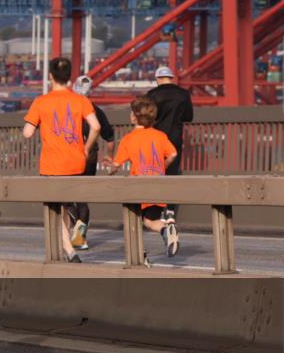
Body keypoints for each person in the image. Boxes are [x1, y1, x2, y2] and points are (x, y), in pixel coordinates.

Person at [22, 58, 101, 263]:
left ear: (50, 76)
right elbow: (97, 126)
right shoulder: (81, 101)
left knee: (55, 210)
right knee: (66, 207)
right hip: (77, 163)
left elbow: (28, 133)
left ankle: (70, 250)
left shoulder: (41, 102)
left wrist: (37, 124)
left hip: (51, 165)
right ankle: (70, 245)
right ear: (70, 77)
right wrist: (86, 147)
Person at [104, 95, 180, 257]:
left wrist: (110, 165)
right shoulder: (160, 136)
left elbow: (115, 167)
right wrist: (163, 166)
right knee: (150, 221)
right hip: (158, 185)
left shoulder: (128, 139)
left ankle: (139, 254)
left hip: (138, 186)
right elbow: (173, 153)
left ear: (134, 116)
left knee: (133, 221)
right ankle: (166, 230)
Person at [69, 75, 115, 251]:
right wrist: (110, 157)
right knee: (83, 196)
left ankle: (75, 222)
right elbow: (109, 137)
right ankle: (80, 237)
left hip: (69, 155)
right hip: (90, 156)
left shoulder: (68, 108)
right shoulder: (96, 110)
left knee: (61, 193)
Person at [147, 66, 193, 222]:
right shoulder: (183, 94)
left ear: (158, 79)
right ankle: (171, 211)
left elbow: (147, 118)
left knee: (155, 172)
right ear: (170, 77)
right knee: (172, 174)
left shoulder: (152, 95)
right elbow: (189, 116)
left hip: (156, 139)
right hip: (175, 138)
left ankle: (157, 209)